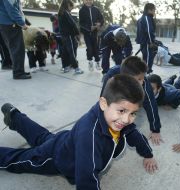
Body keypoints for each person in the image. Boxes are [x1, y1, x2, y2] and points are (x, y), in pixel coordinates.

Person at [0, 74, 158, 189]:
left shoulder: (119, 121)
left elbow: (135, 135)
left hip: (65, 140)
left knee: (43, 137)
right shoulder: (90, 138)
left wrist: (148, 154)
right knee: (20, 160)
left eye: (133, 113)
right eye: (122, 110)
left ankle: (15, 117)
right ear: (103, 103)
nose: (126, 119)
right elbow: (86, 178)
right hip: (55, 157)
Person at [101, 56, 163, 145]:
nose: (142, 82)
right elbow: (104, 101)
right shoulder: (111, 76)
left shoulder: (144, 82)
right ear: (127, 77)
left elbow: (150, 104)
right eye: (139, 79)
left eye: (143, 78)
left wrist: (155, 129)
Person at [0, 0, 31, 79]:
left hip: (6, 24)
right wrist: (22, 23)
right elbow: (12, 9)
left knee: (14, 48)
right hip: (10, 24)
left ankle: (19, 71)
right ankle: (18, 73)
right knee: (17, 49)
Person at [58, 0, 83, 74]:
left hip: (63, 36)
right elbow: (73, 24)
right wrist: (77, 34)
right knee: (71, 51)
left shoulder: (60, 13)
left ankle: (65, 67)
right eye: (71, 6)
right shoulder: (66, 13)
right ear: (68, 5)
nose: (71, 8)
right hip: (69, 36)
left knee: (65, 52)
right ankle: (76, 68)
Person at [79, 0, 104, 71]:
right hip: (87, 33)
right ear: (83, 1)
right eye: (86, 0)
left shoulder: (96, 9)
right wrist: (89, 28)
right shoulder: (81, 10)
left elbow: (101, 19)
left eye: (90, 0)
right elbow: (81, 23)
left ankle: (97, 62)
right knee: (89, 48)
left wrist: (99, 24)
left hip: (95, 33)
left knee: (96, 48)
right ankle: (90, 62)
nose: (88, 1)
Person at [136, 3, 157, 74]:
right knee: (148, 61)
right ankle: (146, 77)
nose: (154, 12)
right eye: (154, 10)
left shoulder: (141, 19)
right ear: (149, 10)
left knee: (145, 60)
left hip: (144, 43)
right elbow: (149, 31)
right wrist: (151, 42)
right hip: (147, 43)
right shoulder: (147, 18)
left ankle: (145, 75)